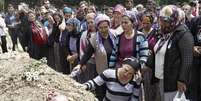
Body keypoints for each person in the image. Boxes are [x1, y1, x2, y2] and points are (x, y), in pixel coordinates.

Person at [147, 5, 193, 101]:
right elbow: (156, 51)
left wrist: (182, 79)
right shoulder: (163, 33)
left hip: (173, 81)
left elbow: (187, 59)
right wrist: (147, 65)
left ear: (174, 20)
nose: (162, 24)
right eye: (161, 20)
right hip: (159, 78)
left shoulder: (184, 34)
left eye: (166, 21)